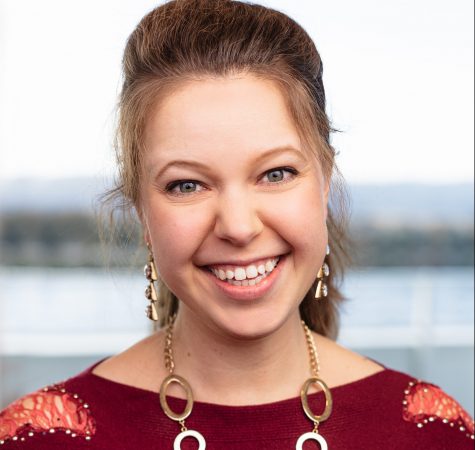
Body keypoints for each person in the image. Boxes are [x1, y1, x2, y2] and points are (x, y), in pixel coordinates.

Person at [0, 0, 473, 448]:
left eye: (276, 174)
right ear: (141, 210)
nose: (239, 227)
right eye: (187, 185)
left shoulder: (431, 431)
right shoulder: (42, 436)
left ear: (325, 184)